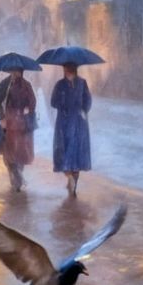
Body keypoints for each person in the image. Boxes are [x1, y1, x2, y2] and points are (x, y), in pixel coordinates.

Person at [51, 63, 93, 196]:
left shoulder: (77, 83)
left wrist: (82, 109)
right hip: (70, 123)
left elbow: (87, 100)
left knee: (71, 153)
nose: (65, 71)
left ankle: (72, 181)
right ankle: (71, 180)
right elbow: (54, 102)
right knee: (70, 152)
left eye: (66, 68)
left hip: (73, 123)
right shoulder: (64, 84)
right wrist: (68, 105)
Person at [0, 68, 37, 192]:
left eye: (18, 71)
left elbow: (33, 102)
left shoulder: (27, 85)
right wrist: (2, 117)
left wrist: (28, 109)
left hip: (22, 125)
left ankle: (17, 175)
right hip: (9, 124)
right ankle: (15, 176)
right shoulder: (4, 85)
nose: (16, 73)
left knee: (21, 154)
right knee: (10, 153)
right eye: (14, 71)